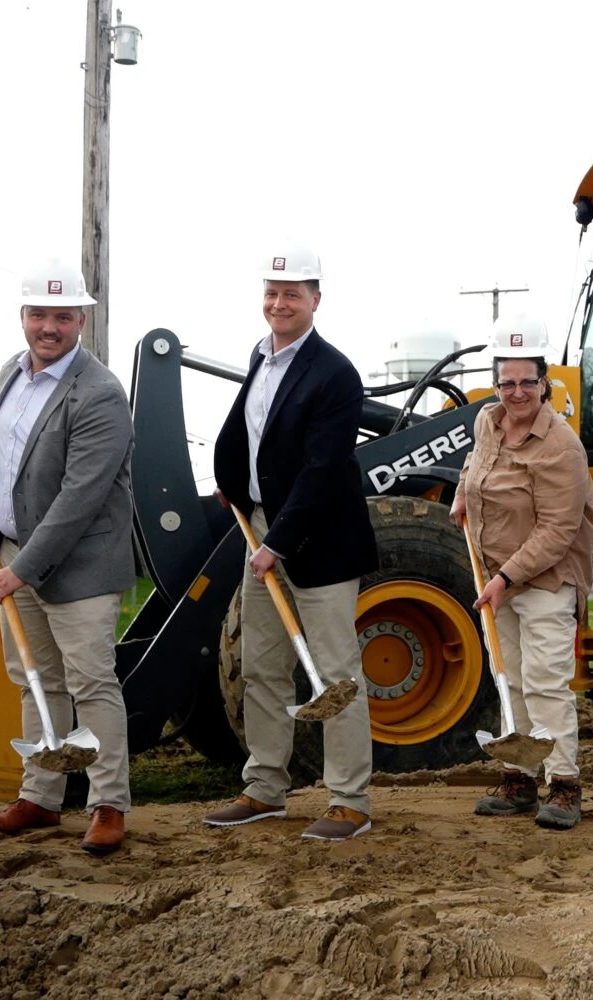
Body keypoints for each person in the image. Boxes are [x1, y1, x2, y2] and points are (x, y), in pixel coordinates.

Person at [0, 260, 136, 855]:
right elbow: (20, 451)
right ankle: (41, 798)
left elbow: (80, 495)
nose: (48, 327)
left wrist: (21, 569)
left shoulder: (101, 394)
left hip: (77, 563)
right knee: (34, 679)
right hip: (14, 551)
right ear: (23, 317)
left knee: (90, 682)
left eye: (61, 316)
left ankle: (109, 805)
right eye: (38, 314)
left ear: (80, 320)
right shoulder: (13, 371)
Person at [203, 247, 381, 841]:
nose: (279, 303)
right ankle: (264, 790)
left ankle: (349, 801)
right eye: (272, 293)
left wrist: (278, 542)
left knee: (335, 676)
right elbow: (247, 438)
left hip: (319, 542)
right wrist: (232, 487)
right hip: (263, 529)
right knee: (262, 669)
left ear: (316, 300)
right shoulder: (262, 359)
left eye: (293, 294)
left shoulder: (334, 373)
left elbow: (323, 468)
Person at [452, 313, 593, 831]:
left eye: (527, 382)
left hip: (544, 581)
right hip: (497, 576)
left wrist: (504, 579)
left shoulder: (561, 446)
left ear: (545, 382)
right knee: (509, 679)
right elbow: (477, 467)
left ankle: (564, 784)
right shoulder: (487, 422)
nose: (516, 393)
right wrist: (460, 495)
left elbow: (558, 531)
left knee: (545, 683)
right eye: (507, 382)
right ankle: (519, 778)